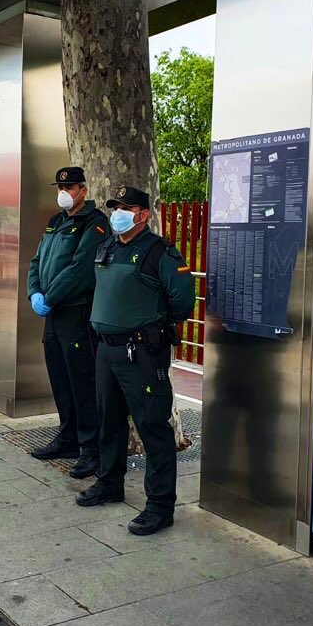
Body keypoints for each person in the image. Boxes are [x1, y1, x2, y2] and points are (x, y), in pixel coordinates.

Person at [76, 185, 195, 536]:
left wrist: (149, 323)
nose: (118, 213)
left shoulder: (160, 252)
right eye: (115, 207)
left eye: (126, 208)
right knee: (108, 421)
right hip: (107, 350)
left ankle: (159, 506)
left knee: (153, 427)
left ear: (143, 214)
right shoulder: (108, 247)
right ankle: (109, 483)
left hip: (142, 352)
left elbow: (183, 301)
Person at [26, 167, 109, 478]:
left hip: (76, 313)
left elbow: (81, 269)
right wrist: (34, 292)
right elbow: (36, 262)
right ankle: (69, 437)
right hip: (53, 315)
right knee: (60, 379)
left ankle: (91, 448)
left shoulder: (94, 223)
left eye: (70, 186)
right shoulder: (55, 222)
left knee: (82, 382)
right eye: (60, 185)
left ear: (83, 190)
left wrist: (50, 296)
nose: (63, 191)